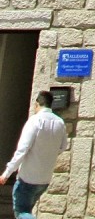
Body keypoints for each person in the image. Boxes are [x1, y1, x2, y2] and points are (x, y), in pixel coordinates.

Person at [0, 91, 68, 219]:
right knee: (27, 210)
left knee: (21, 212)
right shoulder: (60, 123)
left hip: (28, 178)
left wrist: (6, 173)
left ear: (37, 104)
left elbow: (22, 150)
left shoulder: (35, 121)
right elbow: (63, 146)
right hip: (44, 179)